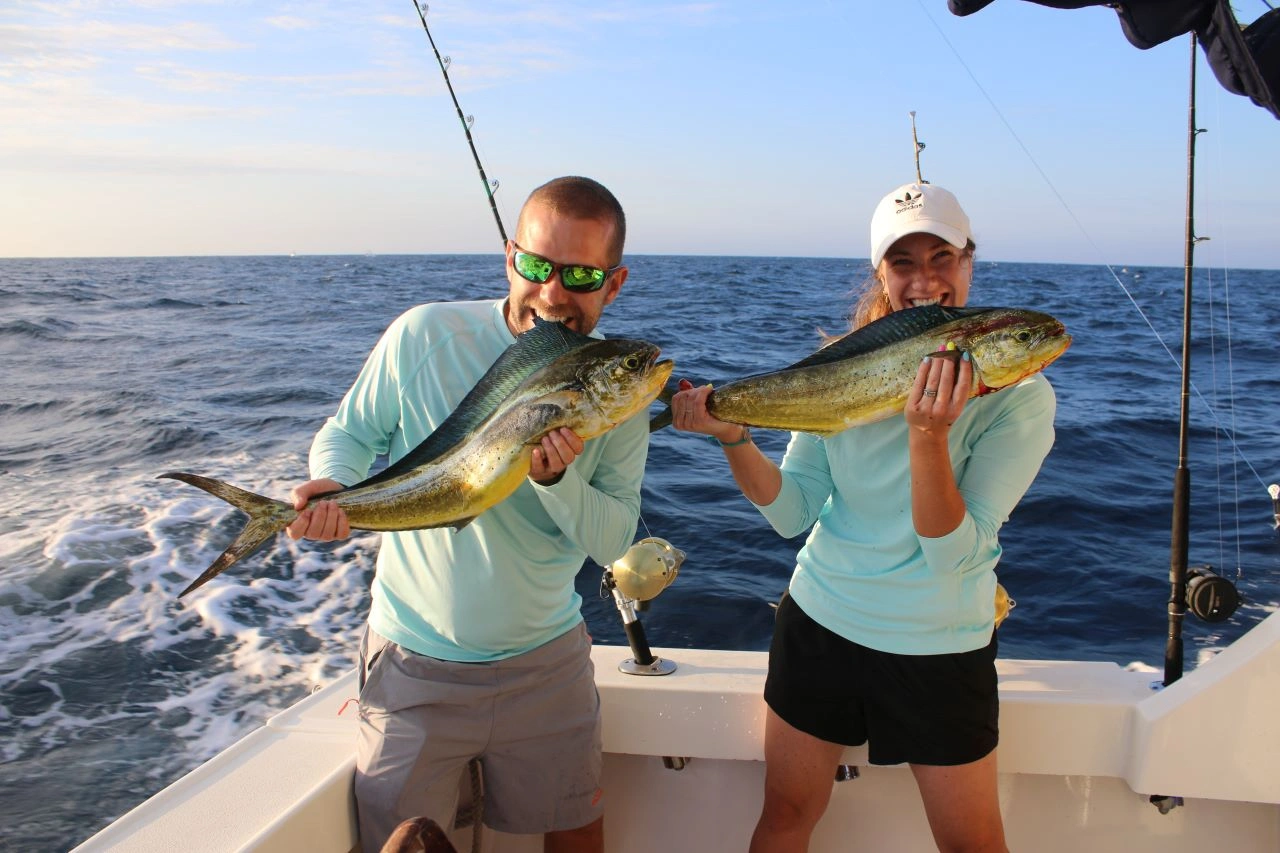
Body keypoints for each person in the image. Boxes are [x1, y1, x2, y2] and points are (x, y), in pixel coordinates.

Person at [669, 181, 1056, 852]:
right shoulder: (834, 366)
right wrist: (732, 435)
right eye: (903, 261)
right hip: (820, 621)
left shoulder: (1021, 398)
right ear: (880, 271)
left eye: (943, 256)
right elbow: (792, 512)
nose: (925, 278)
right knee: (786, 812)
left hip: (939, 643)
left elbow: (950, 552)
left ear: (969, 261)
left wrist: (928, 434)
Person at [286, 176, 644, 853]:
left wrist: (557, 479)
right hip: (415, 665)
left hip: (549, 665)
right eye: (536, 266)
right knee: (399, 841)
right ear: (511, 256)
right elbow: (351, 432)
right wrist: (333, 485)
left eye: (580, 274)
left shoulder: (620, 389)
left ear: (615, 281)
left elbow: (612, 539)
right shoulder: (424, 333)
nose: (552, 292)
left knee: (579, 832)